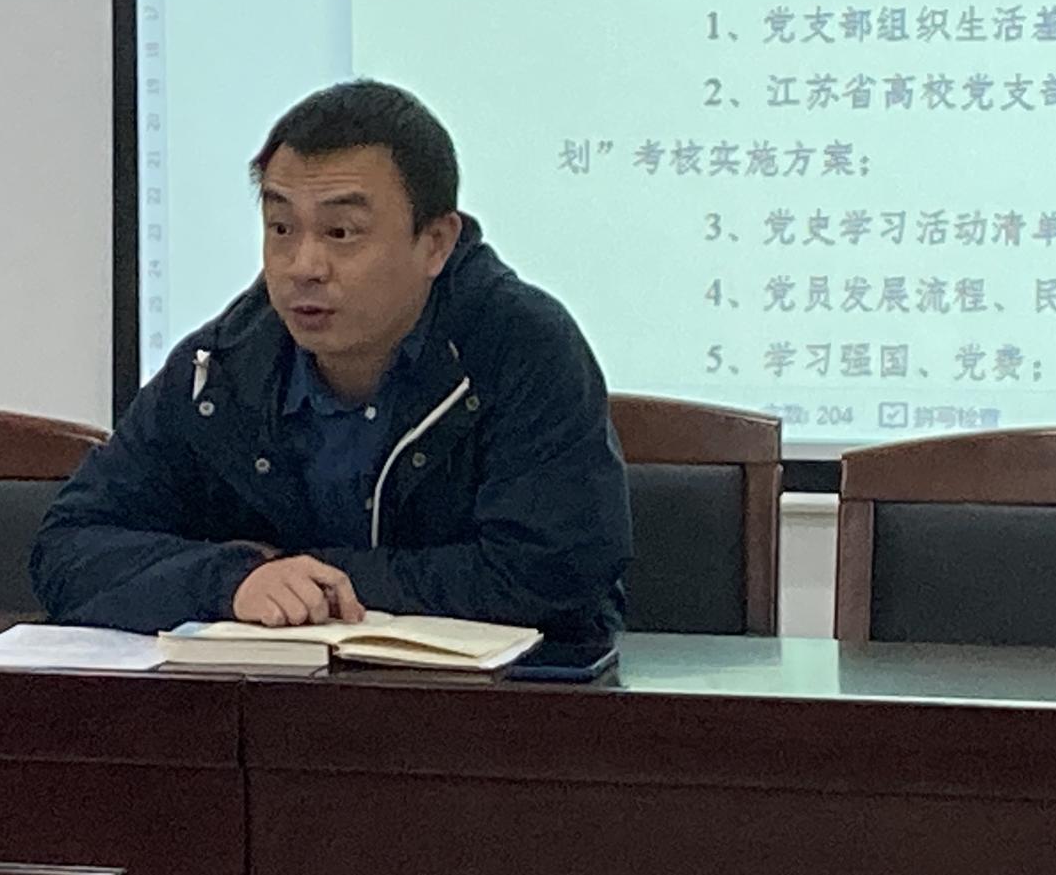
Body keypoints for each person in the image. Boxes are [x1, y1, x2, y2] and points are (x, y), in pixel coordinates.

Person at [31, 79, 632, 637]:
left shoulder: (521, 349)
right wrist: (232, 581)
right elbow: (69, 546)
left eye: (341, 233)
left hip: (491, 705)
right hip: (275, 703)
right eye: (281, 228)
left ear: (435, 243)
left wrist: (312, 579)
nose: (304, 266)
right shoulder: (221, 369)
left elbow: (554, 577)